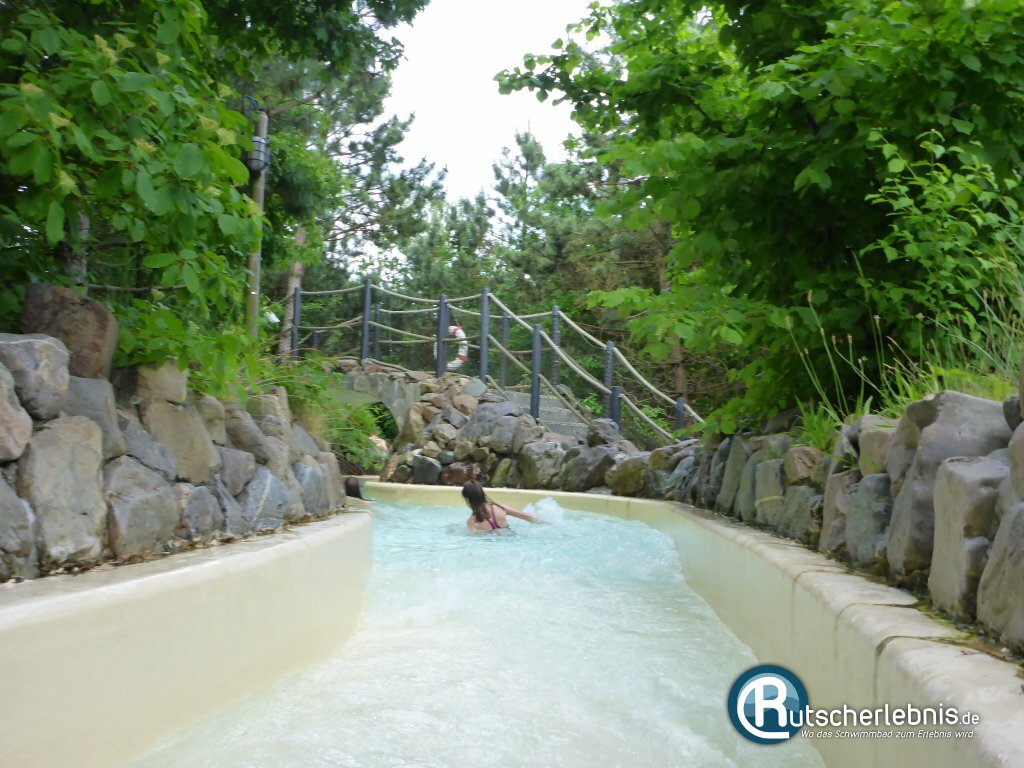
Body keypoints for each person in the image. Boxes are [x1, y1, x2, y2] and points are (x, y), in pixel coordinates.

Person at [461, 481, 538, 532]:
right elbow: (528, 517)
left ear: (467, 499)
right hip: (511, 539)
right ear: (482, 494)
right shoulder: (501, 508)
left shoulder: (472, 522)